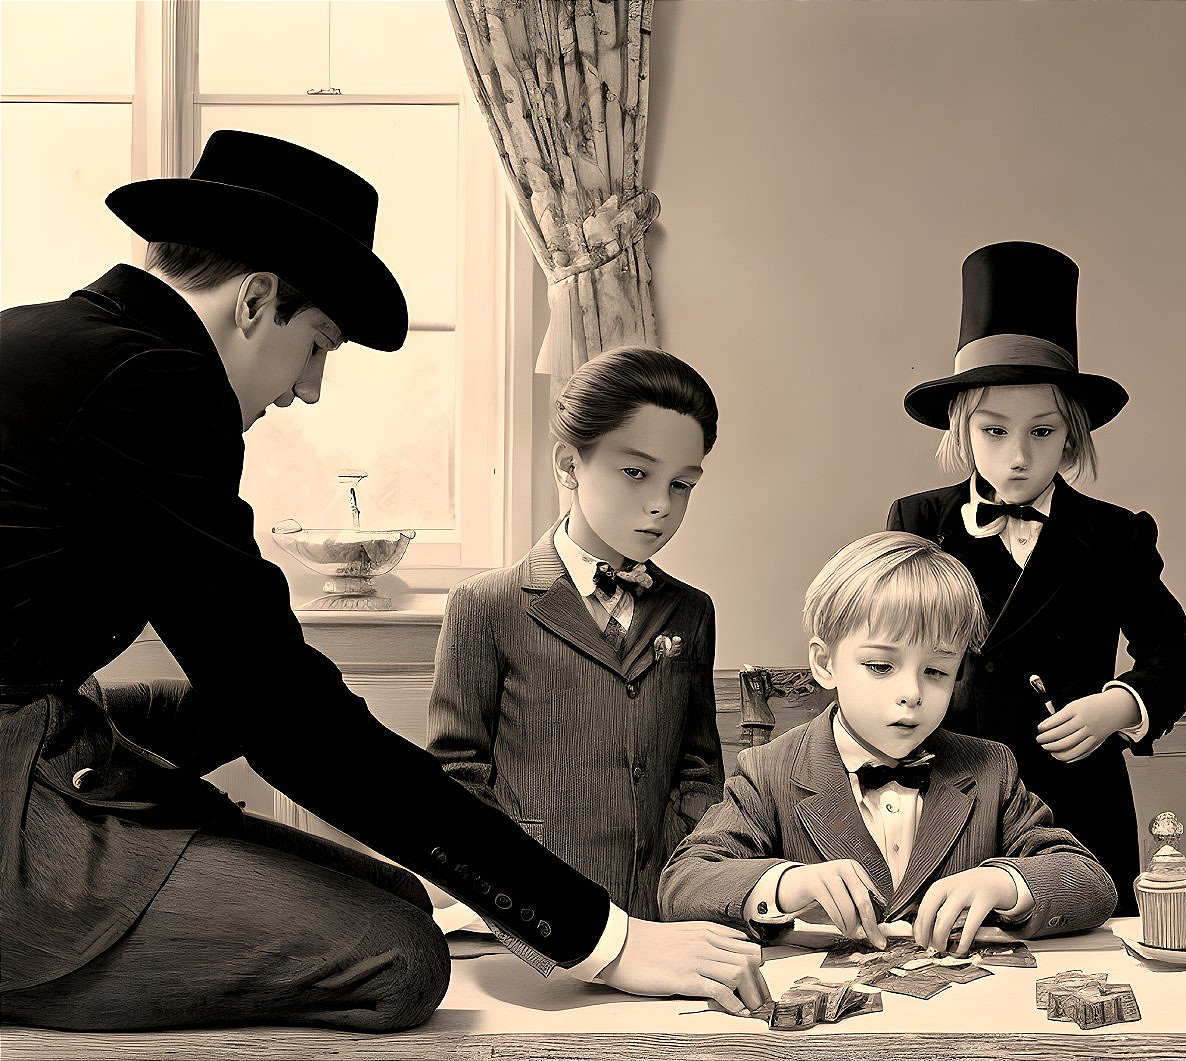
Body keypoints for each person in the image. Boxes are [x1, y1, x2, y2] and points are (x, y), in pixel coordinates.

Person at [0, 130, 765, 1031]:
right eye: (317, 345)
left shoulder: (55, 337)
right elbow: (287, 716)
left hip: (47, 719)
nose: (309, 388)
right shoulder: (158, 383)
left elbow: (260, 688)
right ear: (255, 300)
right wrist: (603, 937)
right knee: (400, 952)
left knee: (389, 882)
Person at [885, 241, 1186, 914]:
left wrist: (1119, 706)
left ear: (1073, 433)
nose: (1018, 456)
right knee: (947, 951)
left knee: (1085, 959)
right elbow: (889, 652)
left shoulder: (1114, 534)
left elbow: (1177, 653)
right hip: (948, 792)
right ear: (962, 428)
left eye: (1041, 431)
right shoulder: (918, 520)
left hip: (1075, 800)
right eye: (994, 431)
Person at [659, 531, 1116, 955]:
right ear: (825, 663)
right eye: (881, 666)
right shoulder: (769, 770)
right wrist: (787, 884)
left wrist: (1007, 883)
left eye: (936, 671)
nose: (912, 692)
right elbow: (684, 885)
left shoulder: (990, 767)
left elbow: (1090, 883)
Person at [429, 346, 724, 920]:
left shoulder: (692, 611)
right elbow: (458, 778)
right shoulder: (484, 605)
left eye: (682, 484)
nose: (660, 505)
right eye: (635, 473)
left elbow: (699, 765)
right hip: (533, 918)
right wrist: (515, 890)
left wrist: (684, 870)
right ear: (569, 465)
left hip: (660, 911)